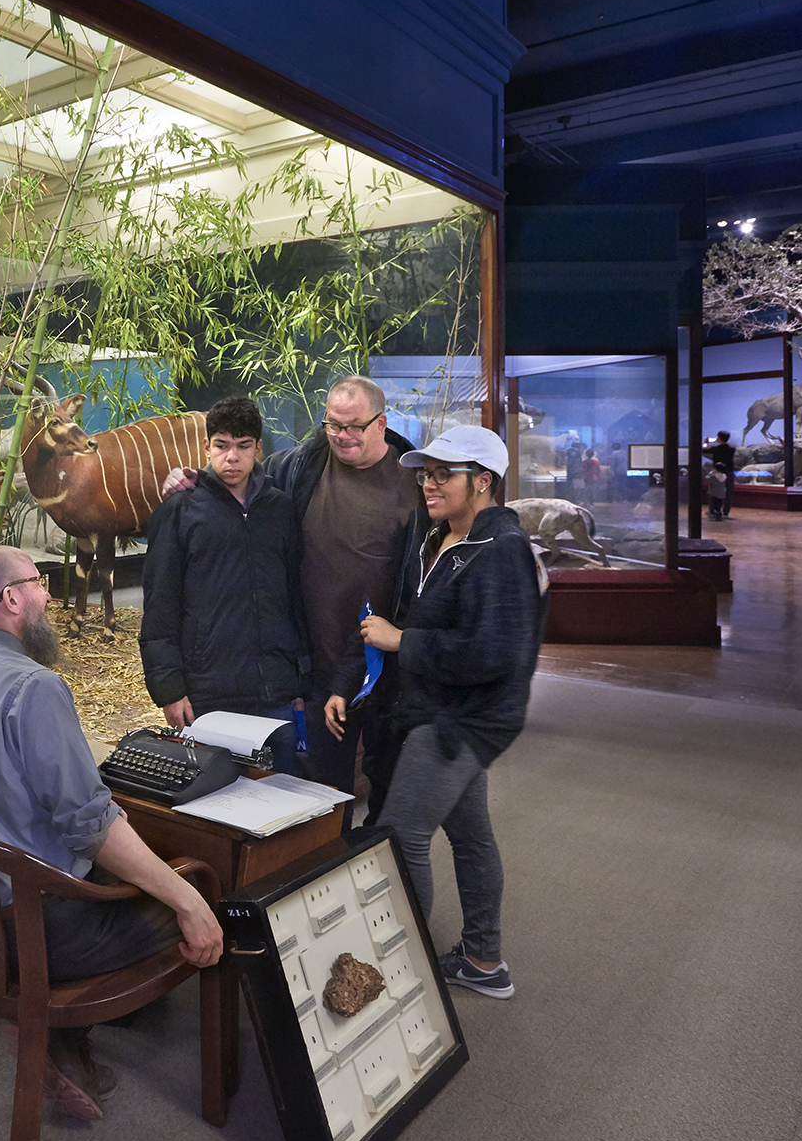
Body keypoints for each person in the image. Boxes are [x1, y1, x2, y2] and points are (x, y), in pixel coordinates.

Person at [0, 544, 224, 1120]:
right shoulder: (33, 688)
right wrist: (186, 898)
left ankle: (63, 1038)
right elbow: (89, 826)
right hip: (38, 933)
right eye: (39, 583)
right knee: (204, 891)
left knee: (131, 866)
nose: (49, 596)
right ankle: (63, 1025)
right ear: (11, 599)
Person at [322, 426, 546, 1001]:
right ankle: (483, 958)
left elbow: (496, 653)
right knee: (470, 835)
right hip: (433, 710)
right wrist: (356, 674)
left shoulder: (503, 554)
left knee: (403, 833)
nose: (429, 484)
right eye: (426, 472)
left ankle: (404, 965)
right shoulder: (435, 539)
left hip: (461, 722)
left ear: (484, 482)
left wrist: (403, 642)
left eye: (445, 473)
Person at [157, 378, 426, 812]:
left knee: (392, 789)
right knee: (322, 789)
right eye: (333, 424)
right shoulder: (302, 465)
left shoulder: (417, 481)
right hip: (318, 665)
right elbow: (241, 478)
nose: (342, 435)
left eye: (354, 425)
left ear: (381, 422)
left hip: (385, 666)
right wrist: (189, 479)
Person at [139, 395, 308, 775]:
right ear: (206, 447)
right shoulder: (179, 511)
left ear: (258, 448)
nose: (232, 457)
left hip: (276, 690)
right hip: (208, 692)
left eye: (243, 446)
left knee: (282, 797)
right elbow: (160, 606)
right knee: (216, 803)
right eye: (222, 445)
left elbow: (294, 600)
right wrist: (169, 688)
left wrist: (300, 680)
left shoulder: (280, 509)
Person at [703, 430, 736, 521]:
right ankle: (725, 512)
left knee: (714, 491)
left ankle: (713, 511)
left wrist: (706, 442)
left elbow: (704, 449)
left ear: (718, 438)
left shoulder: (715, 448)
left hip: (717, 472)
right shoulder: (732, 448)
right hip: (729, 472)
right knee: (728, 492)